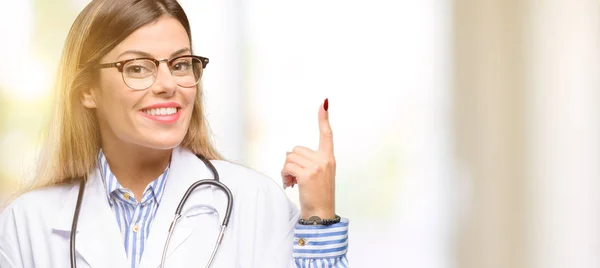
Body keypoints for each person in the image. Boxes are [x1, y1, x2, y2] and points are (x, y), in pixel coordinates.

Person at [0, 0, 349, 267]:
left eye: (180, 64)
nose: (169, 85)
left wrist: (320, 217)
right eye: (137, 68)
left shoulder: (255, 202)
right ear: (87, 91)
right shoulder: (26, 223)